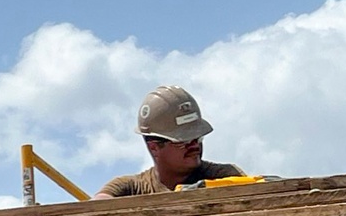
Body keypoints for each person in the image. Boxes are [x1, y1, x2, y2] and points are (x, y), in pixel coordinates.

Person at [93, 85, 244, 199]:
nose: (194, 145)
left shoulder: (226, 177)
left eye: (197, 137)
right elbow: (98, 205)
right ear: (154, 147)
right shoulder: (129, 189)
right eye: (183, 141)